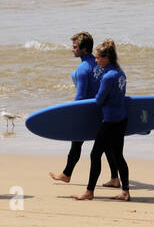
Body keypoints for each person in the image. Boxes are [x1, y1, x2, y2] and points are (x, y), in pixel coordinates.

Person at [49, 31, 115, 185]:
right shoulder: (99, 62)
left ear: (84, 49)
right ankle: (114, 178)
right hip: (103, 110)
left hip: (89, 111)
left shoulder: (83, 69)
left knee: (77, 142)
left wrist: (71, 114)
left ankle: (66, 174)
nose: (72, 49)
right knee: (106, 145)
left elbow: (80, 97)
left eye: (75, 46)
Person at [73, 38, 130, 202]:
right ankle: (125, 191)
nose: (96, 61)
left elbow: (99, 100)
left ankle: (89, 191)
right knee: (118, 155)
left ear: (107, 58)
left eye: (98, 58)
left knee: (95, 154)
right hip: (121, 119)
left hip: (110, 121)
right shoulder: (120, 74)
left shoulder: (108, 77)